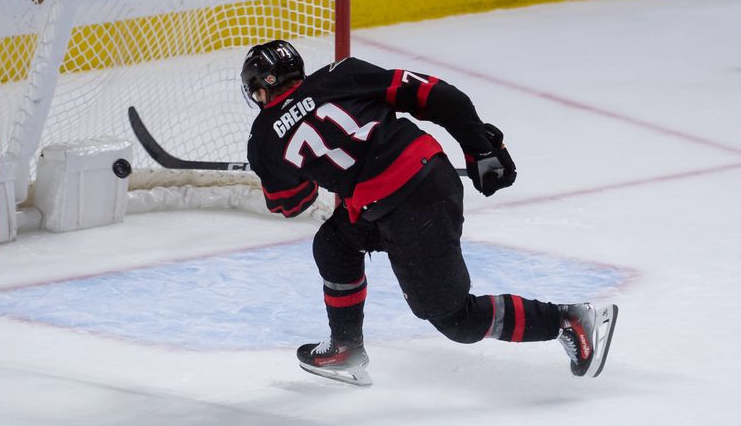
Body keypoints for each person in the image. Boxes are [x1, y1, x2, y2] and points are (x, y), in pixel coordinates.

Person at [241, 40, 618, 386]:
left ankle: (568, 321)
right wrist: (479, 148)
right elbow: (436, 95)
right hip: (425, 180)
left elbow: (291, 203)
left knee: (458, 319)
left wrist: (296, 170)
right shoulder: (342, 73)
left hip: (410, 206)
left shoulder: (263, 139)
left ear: (260, 90)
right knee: (333, 244)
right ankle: (346, 348)